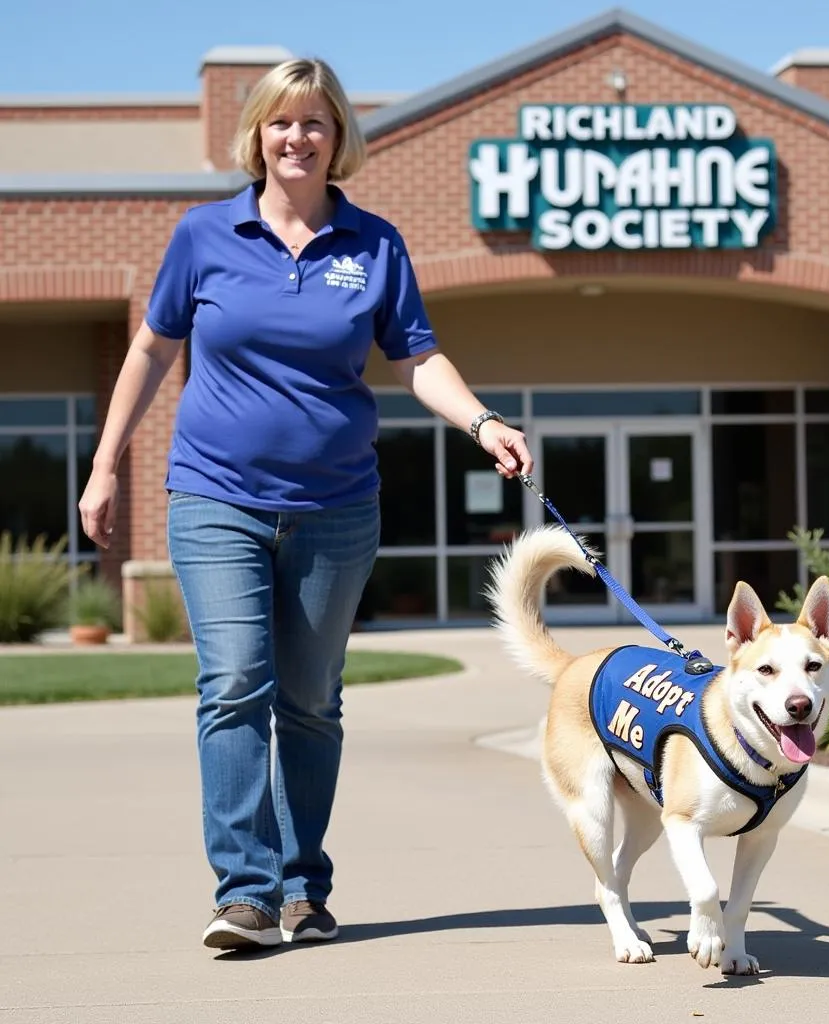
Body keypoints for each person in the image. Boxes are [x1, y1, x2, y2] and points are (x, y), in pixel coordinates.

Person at [78, 56, 533, 952]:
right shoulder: (204, 236)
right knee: (234, 682)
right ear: (256, 134)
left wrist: (481, 421)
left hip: (335, 508)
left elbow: (415, 357)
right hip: (215, 497)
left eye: (315, 123)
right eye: (282, 122)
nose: (297, 137)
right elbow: (149, 353)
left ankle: (303, 886)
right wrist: (104, 464)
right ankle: (245, 891)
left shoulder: (374, 244)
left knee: (311, 700)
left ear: (338, 140)